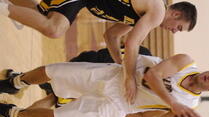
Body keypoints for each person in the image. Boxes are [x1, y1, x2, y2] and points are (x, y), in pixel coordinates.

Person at [0, 0, 197, 104]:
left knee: (40, 16)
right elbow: (132, 44)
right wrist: (128, 76)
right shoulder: (157, 11)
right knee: (54, 28)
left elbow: (111, 36)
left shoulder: (144, 14)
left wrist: (120, 65)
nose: (174, 31)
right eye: (179, 27)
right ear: (176, 14)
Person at [0, 53, 209, 117]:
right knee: (52, 71)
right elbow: (153, 76)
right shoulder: (185, 62)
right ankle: (14, 83)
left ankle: (12, 113)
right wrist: (173, 103)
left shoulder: (189, 107)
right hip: (117, 75)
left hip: (119, 105)